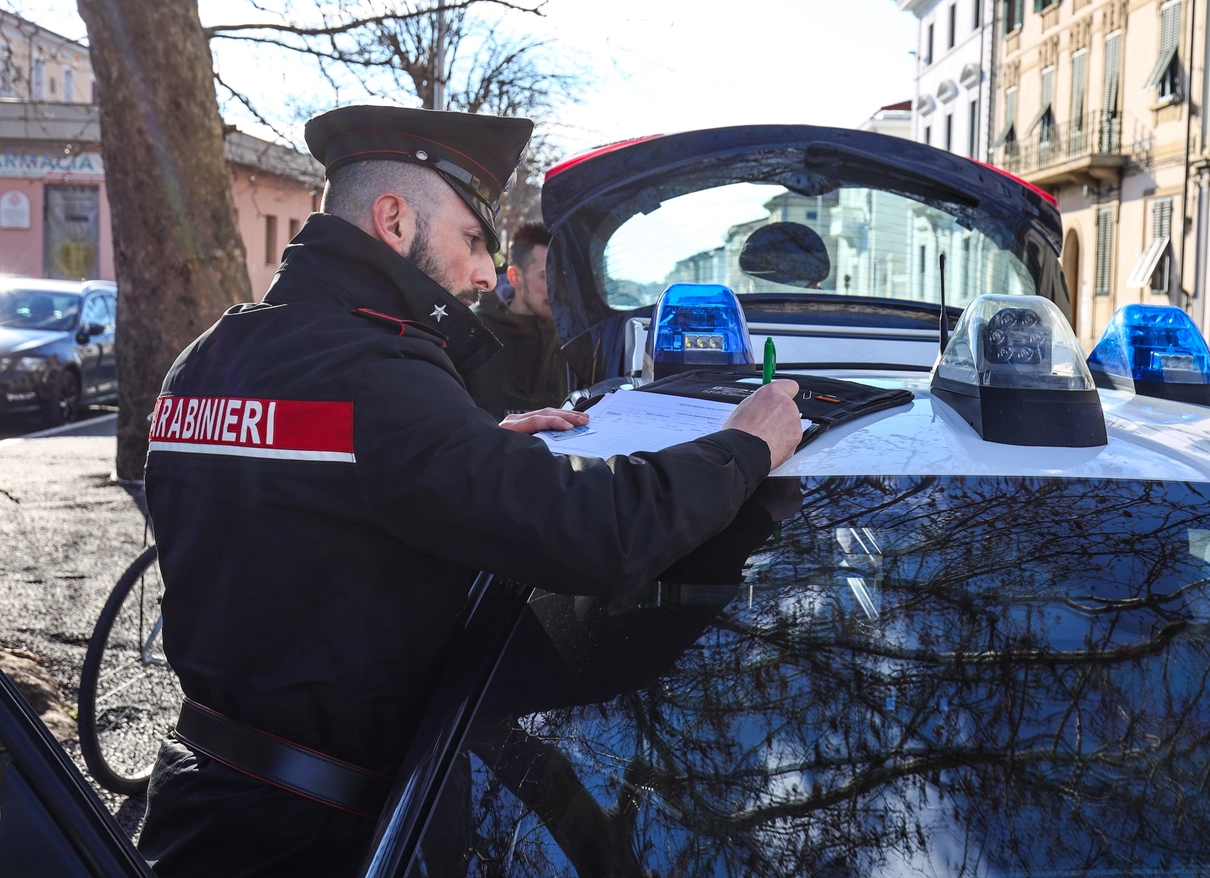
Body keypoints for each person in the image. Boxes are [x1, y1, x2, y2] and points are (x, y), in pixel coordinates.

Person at [135, 105, 802, 877]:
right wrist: (745, 446)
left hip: (200, 810)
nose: (487, 274)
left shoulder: (211, 356)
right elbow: (598, 535)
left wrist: (471, 453)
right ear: (392, 219)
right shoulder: (377, 378)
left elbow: (303, 513)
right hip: (324, 839)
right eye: (473, 239)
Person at [465, 222, 570, 419]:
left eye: (560, 276)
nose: (555, 287)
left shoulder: (569, 337)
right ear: (515, 277)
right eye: (545, 276)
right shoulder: (475, 335)